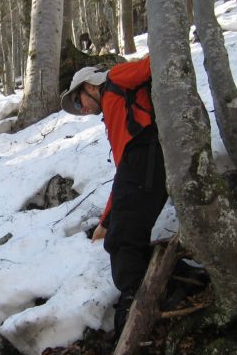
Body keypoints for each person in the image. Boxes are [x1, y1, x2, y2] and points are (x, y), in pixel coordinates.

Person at [61, 59, 168, 336]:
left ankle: (132, 303)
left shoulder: (117, 78)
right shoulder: (111, 108)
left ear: (89, 86)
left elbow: (155, 61)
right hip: (135, 165)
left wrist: (111, 223)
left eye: (78, 100)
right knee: (120, 233)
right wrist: (105, 221)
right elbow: (122, 177)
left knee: (123, 236)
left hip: (146, 154)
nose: (82, 109)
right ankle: (153, 289)